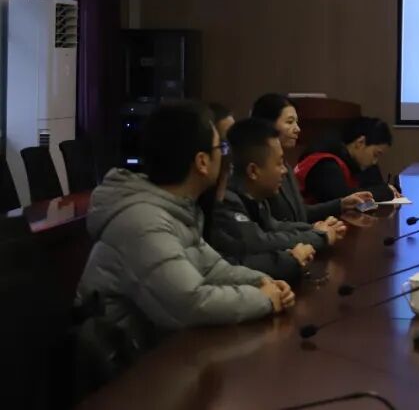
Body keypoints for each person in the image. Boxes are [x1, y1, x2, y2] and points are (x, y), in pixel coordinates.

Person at [75, 102, 293, 365]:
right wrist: (263, 299)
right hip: (129, 369)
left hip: (161, 352)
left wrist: (262, 282)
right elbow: (190, 304)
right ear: (202, 162)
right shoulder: (142, 221)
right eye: (221, 148)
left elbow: (213, 269)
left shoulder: (177, 207)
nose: (226, 157)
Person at [209, 119, 340, 284]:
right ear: (253, 171)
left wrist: (316, 229)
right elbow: (260, 242)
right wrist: (319, 237)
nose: (284, 171)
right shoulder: (227, 201)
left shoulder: (254, 195)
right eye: (279, 163)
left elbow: (275, 227)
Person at [250, 93, 372, 225]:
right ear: (267, 125)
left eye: (296, 122)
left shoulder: (285, 164)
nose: (297, 129)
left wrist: (341, 204)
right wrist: (317, 233)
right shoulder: (260, 168)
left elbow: (300, 213)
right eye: (290, 122)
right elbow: (273, 227)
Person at [296, 116, 399, 204]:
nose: (374, 161)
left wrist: (388, 189)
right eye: (375, 154)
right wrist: (384, 192)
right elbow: (344, 199)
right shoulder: (326, 164)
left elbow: (374, 184)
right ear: (360, 142)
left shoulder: (354, 162)